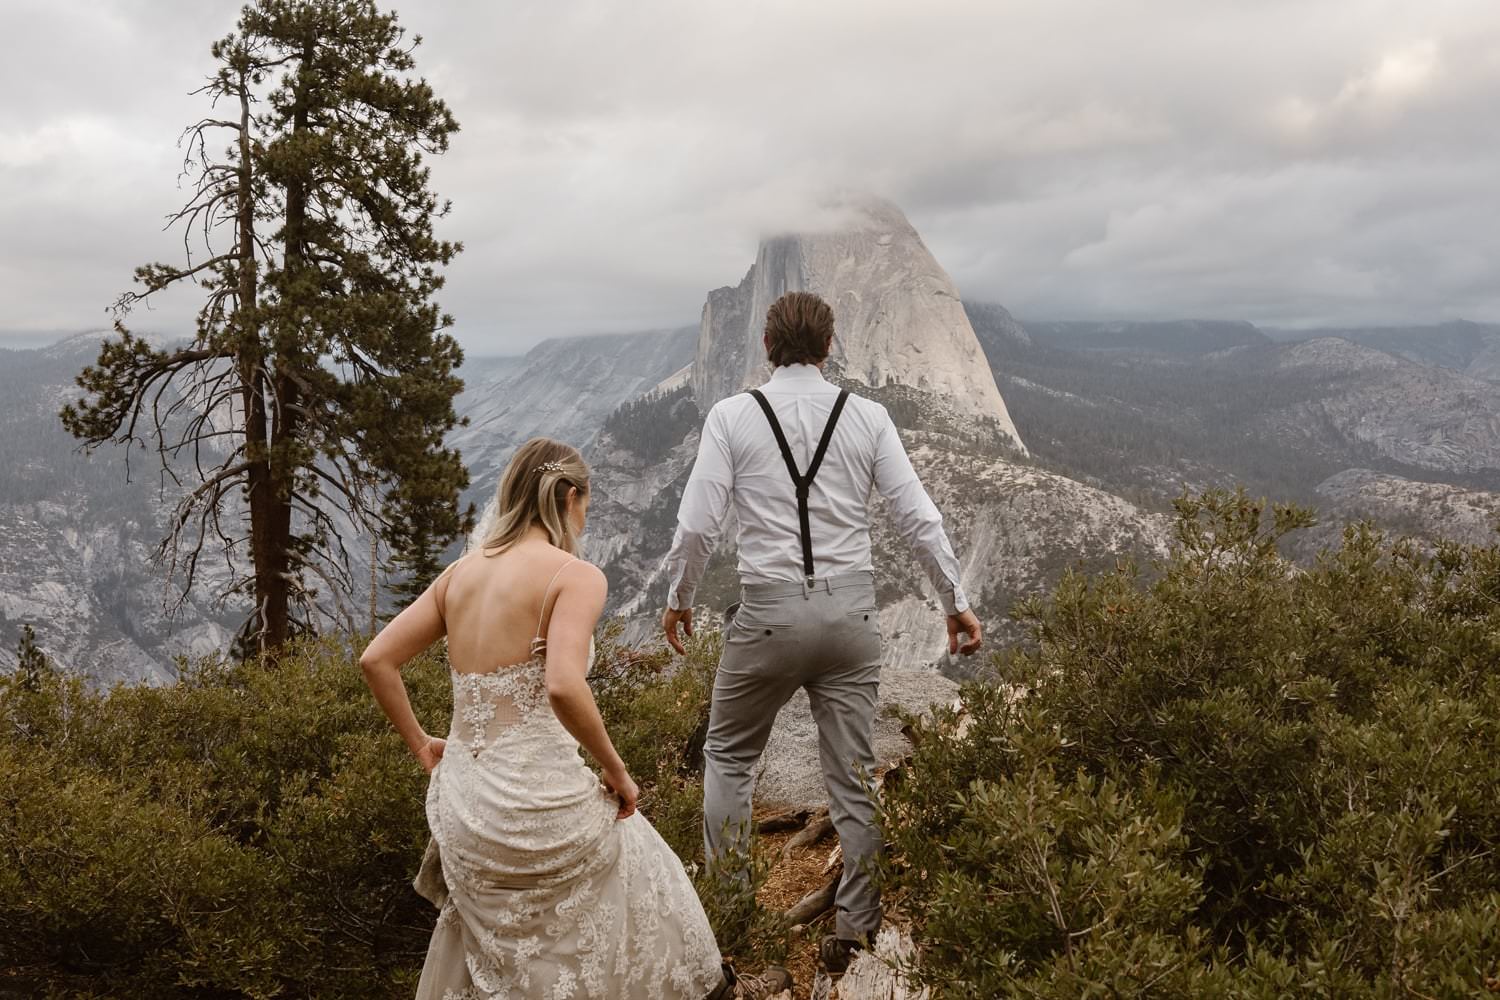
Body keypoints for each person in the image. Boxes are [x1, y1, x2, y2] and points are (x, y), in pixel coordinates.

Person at [361, 438, 791, 1000]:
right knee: (644, 871)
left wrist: (422, 745)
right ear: (567, 497)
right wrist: (617, 771)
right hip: (535, 803)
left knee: (505, 944)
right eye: (586, 502)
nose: (587, 517)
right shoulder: (573, 576)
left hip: (465, 807)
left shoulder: (459, 575)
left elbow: (377, 659)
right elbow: (563, 683)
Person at [661, 291, 983, 976]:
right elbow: (918, 518)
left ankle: (733, 912)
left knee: (728, 755)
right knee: (852, 774)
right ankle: (856, 928)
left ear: (767, 346)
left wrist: (679, 597)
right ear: (829, 346)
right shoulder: (868, 417)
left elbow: (697, 526)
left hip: (769, 614)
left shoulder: (731, 416)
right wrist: (954, 600)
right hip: (850, 615)